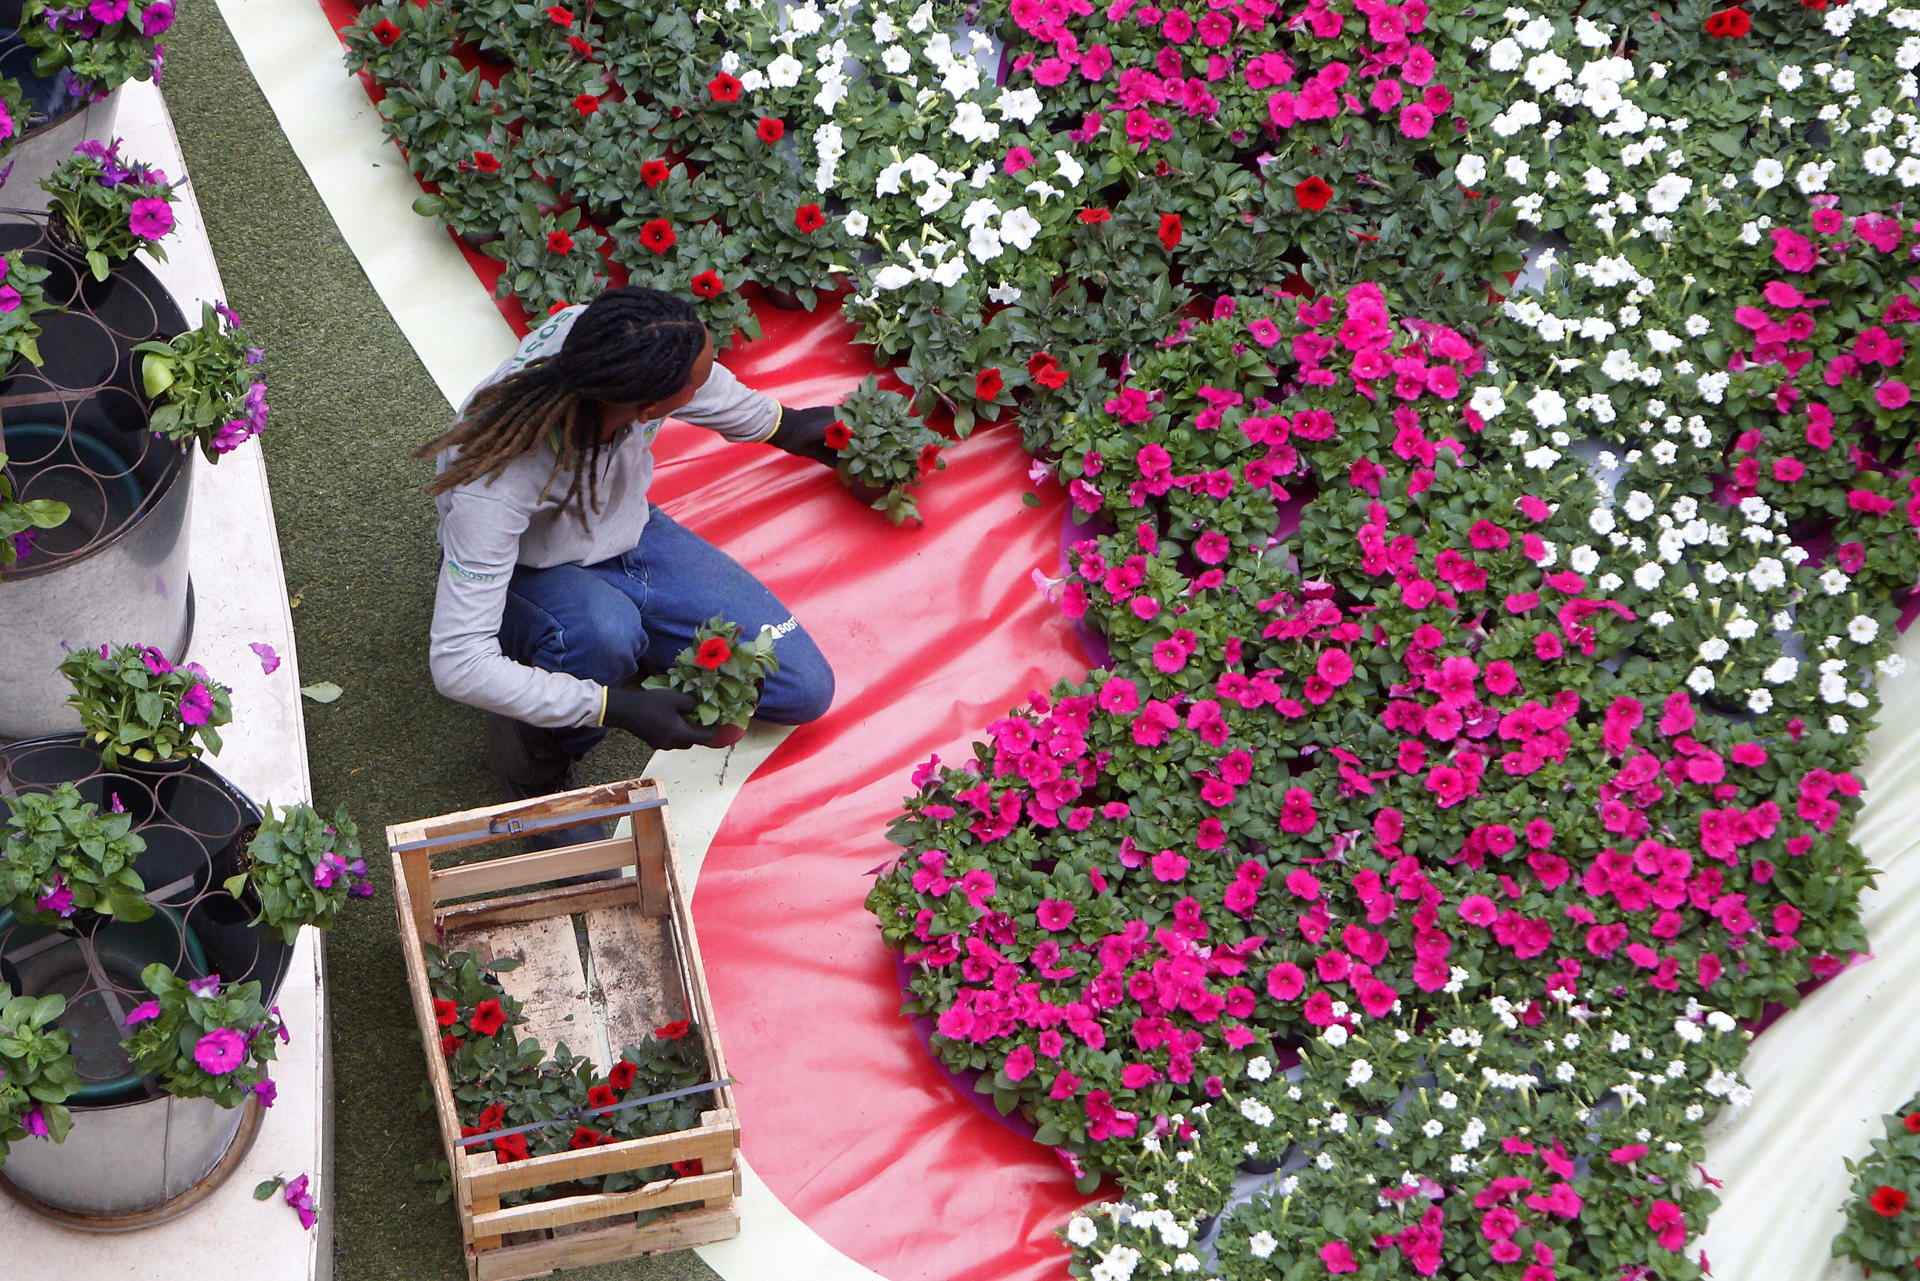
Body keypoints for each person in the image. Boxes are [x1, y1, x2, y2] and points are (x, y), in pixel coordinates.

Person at [420, 287, 843, 843]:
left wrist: (789, 427)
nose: (709, 377)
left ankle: (611, 641)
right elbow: (458, 663)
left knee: (801, 688)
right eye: (699, 374)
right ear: (647, 408)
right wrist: (612, 707)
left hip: (630, 535)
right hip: (532, 567)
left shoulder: (612, 347)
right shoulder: (496, 485)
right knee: (601, 634)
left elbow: (705, 386)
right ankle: (534, 762)